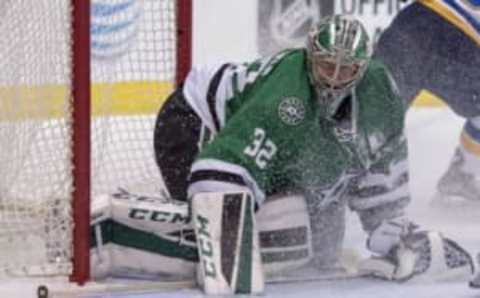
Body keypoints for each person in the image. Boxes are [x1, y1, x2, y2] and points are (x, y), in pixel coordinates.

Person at [89, 15, 473, 295]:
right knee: (255, 230)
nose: (335, 79)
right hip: (194, 124)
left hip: (269, 141)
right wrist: (230, 265)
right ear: (309, 57)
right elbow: (221, 168)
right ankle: (116, 226)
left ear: (364, 67)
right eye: (326, 65)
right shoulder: (287, 98)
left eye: (347, 69)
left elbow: (378, 176)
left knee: (317, 251)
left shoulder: (381, 95)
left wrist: (392, 233)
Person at [374, 0, 480, 205]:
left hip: (411, 25)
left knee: (371, 118)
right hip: (455, 41)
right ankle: (461, 178)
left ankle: (323, 180)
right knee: (372, 119)